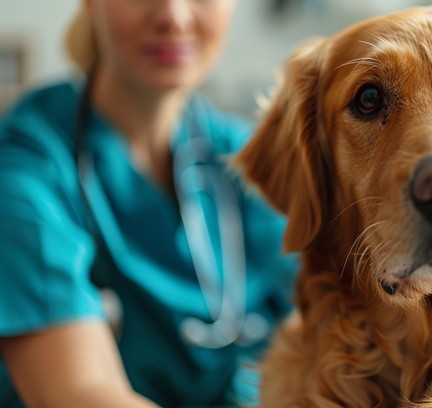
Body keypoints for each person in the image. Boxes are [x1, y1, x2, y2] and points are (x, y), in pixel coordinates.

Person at [0, 0, 297, 406]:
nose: (173, 16)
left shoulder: (245, 156)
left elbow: (322, 313)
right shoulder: (27, 168)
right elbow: (77, 392)